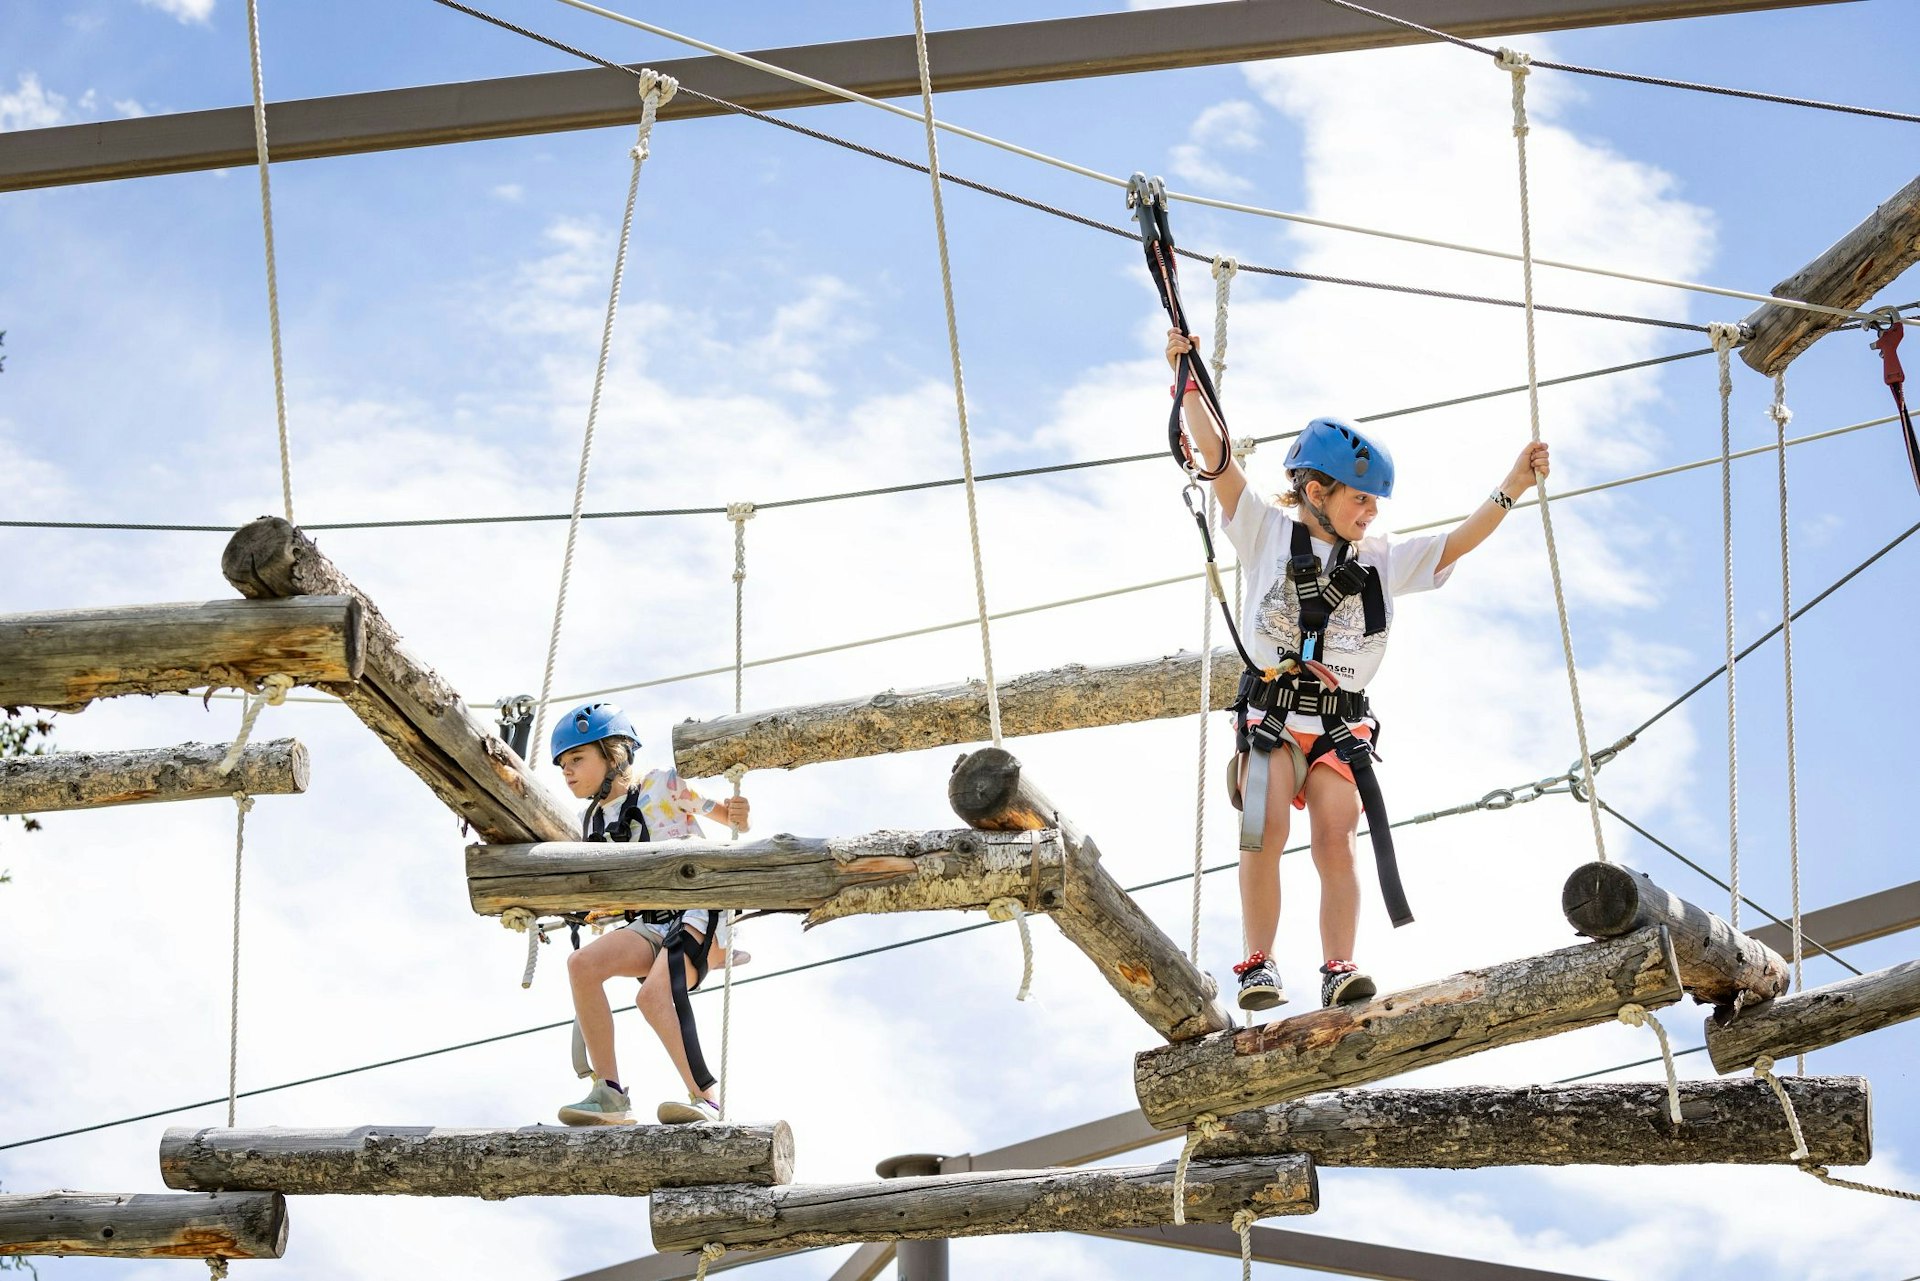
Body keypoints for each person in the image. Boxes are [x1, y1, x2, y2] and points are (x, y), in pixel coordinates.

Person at [1166, 329, 1550, 1013]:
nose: (1370, 514)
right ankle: (1258, 961)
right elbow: (1218, 461)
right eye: (1360, 501)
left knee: (1336, 838)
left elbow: (1455, 541)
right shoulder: (1262, 531)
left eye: (1374, 505)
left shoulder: (1380, 559)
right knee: (1260, 828)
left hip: (1339, 728)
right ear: (1314, 491)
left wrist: (1512, 486)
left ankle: (1339, 964)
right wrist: (1188, 378)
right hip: (1271, 719)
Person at [549, 701, 751, 1126]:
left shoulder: (662, 785)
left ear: (614, 754)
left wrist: (737, 814)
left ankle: (707, 1098)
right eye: (563, 763)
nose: (567, 771)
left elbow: (721, 815)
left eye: (577, 758)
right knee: (582, 964)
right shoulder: (593, 824)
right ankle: (609, 1095)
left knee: (652, 995)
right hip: (651, 921)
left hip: (698, 909)